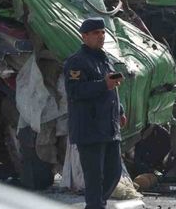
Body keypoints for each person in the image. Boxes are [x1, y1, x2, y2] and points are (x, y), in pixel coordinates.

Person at [64, 17, 127, 209]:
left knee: (114, 173)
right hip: (89, 129)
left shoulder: (104, 58)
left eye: (102, 32)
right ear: (84, 36)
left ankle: (97, 205)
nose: (100, 36)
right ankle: (95, 205)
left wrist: (120, 111)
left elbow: (112, 88)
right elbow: (75, 91)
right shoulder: (76, 62)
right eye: (95, 33)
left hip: (108, 127)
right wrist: (103, 84)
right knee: (94, 177)